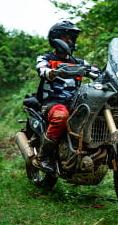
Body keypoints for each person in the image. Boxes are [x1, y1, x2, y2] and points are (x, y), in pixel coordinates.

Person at [33, 21, 99, 174]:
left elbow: (95, 71)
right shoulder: (46, 59)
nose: (70, 41)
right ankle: (44, 156)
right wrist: (52, 72)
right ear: (55, 39)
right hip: (53, 102)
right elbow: (42, 70)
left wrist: (109, 73)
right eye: (66, 37)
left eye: (72, 38)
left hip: (74, 103)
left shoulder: (80, 63)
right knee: (61, 116)